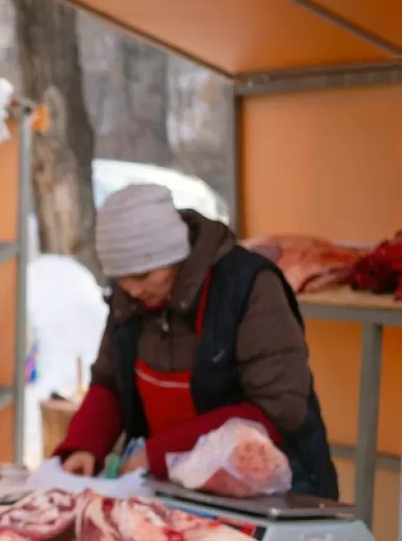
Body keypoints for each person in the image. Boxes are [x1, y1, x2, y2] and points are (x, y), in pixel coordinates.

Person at [53, 184, 338, 498]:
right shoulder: (131, 300)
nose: (133, 290)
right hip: (174, 489)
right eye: (122, 278)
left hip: (273, 491)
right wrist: (84, 446)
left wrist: (159, 454)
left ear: (175, 257)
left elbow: (278, 407)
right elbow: (111, 382)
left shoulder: (248, 287)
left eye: (144, 276)